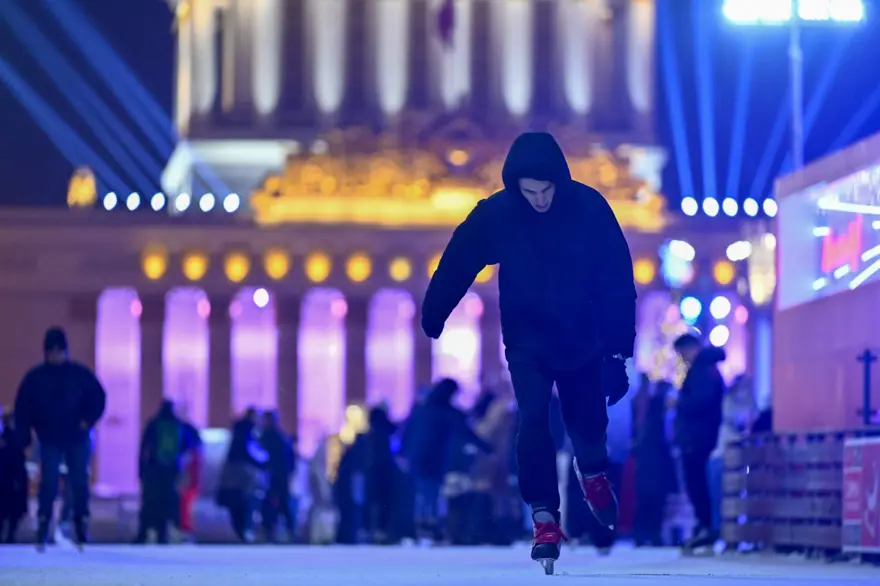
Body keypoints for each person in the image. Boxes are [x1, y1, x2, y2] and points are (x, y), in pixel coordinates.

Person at [421, 132, 636, 569]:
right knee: (533, 419)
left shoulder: (589, 210)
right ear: (516, 188)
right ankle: (543, 515)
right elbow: (460, 258)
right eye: (529, 192)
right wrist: (436, 309)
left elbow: (616, 280)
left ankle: (593, 473)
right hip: (527, 339)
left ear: (559, 182)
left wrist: (616, 354)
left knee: (586, 424)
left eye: (546, 190)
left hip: (581, 338)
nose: (539, 200)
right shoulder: (500, 215)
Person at [14, 327, 106, 550]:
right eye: (52, 351)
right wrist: (25, 436)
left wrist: (87, 420)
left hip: (75, 436)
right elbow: (23, 408)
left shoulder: (78, 374)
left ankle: (80, 523)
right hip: (50, 437)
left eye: (59, 351)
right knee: (49, 482)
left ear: (65, 351)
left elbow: (98, 397)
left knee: (78, 482)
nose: (55, 355)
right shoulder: (36, 377)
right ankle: (45, 523)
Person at [672, 333, 726, 551]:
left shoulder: (702, 369)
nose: (682, 358)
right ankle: (704, 525)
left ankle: (706, 527)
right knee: (696, 483)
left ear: (691, 348)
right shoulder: (705, 368)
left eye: (682, 352)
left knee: (697, 482)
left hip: (698, 437)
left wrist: (679, 404)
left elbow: (700, 401)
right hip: (700, 436)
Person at [134, 400, 190, 544]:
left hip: (153, 469)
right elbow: (189, 445)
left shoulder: (153, 424)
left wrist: (141, 470)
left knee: (150, 502)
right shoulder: (178, 425)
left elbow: (144, 448)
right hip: (171, 470)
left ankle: (143, 533)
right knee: (167, 502)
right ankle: (163, 534)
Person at [0, 407, 28, 543]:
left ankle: (11, 532)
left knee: (12, 508)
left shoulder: (15, 437)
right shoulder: (10, 437)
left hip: (12, 477)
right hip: (6, 477)